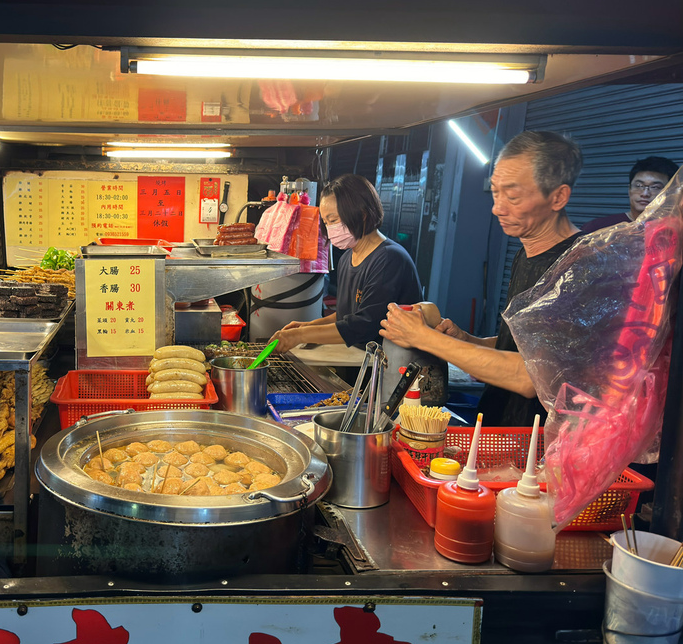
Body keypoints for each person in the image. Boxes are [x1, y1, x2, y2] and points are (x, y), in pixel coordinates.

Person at [380, 130, 583, 426]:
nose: (497, 208)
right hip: (500, 427)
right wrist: (468, 340)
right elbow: (516, 347)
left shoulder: (576, 268)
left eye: (512, 196)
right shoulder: (524, 253)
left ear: (558, 196)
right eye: (495, 192)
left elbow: (529, 377)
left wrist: (422, 337)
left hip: (540, 446)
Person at [270, 174, 421, 352]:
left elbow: (364, 325)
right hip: (359, 361)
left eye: (333, 220)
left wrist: (301, 336)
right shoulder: (347, 258)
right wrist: (306, 328)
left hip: (394, 367)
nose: (330, 229)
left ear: (362, 214)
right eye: (326, 222)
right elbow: (345, 317)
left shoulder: (389, 259)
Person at [580, 156, 677, 234]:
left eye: (655, 187)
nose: (645, 193)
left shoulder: (675, 231)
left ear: (670, 193)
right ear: (629, 189)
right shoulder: (597, 228)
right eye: (639, 185)